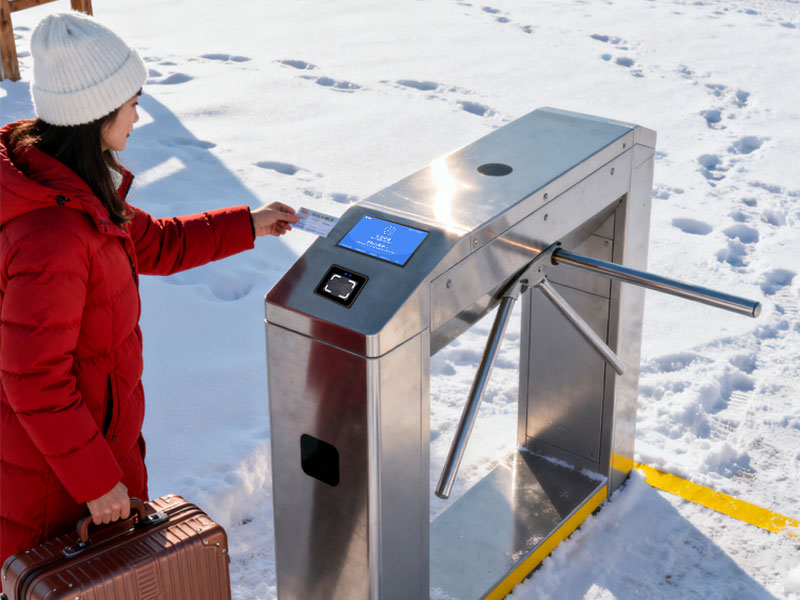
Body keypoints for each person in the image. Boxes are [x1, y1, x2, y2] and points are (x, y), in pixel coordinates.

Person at [0, 11, 299, 571]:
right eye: (131, 103)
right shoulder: (54, 234)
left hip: (90, 455)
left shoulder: (73, 186)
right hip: (56, 488)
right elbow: (34, 378)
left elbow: (155, 242)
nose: (138, 116)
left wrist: (249, 224)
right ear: (95, 112)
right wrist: (96, 481)